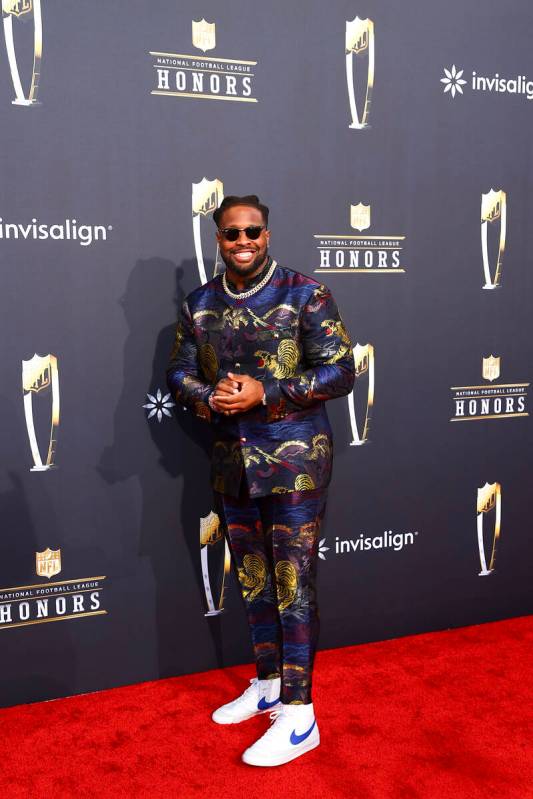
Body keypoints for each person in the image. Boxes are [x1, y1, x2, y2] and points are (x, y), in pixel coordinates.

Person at [166, 195, 356, 766]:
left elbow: (343, 370)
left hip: (296, 463)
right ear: (217, 239)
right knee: (252, 577)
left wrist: (266, 393)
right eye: (231, 233)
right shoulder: (199, 304)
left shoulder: (306, 292)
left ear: (267, 234)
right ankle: (270, 684)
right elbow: (177, 372)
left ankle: (300, 716)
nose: (243, 241)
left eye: (253, 231)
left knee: (292, 582)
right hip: (230, 462)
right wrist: (210, 395)